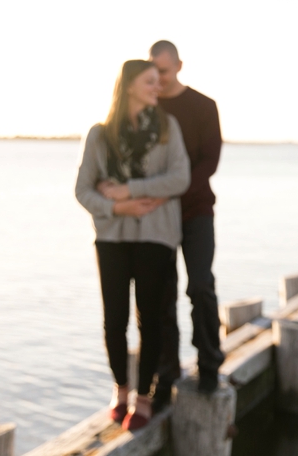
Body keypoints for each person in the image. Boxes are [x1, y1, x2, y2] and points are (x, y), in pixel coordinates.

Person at [74, 60, 190, 431]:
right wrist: (117, 206)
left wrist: (130, 189)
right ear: (128, 87)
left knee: (150, 319)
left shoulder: (168, 128)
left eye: (159, 81)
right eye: (150, 82)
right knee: (114, 319)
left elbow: (180, 178)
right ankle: (120, 390)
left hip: (156, 235)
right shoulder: (99, 135)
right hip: (112, 236)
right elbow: (83, 190)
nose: (158, 88)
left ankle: (143, 398)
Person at [149, 40, 226, 410]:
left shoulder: (203, 106)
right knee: (161, 296)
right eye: (153, 72)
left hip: (196, 212)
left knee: (200, 287)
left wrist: (172, 191)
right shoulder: (147, 108)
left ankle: (210, 363)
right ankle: (166, 374)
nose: (158, 79)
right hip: (158, 217)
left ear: (179, 65)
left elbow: (210, 161)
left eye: (163, 71)